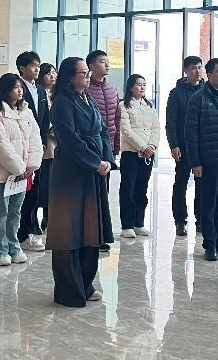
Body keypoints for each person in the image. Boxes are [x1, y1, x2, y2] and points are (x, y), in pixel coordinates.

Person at [46, 57, 114, 307]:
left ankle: (86, 284)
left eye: (87, 73)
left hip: (93, 172)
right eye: (83, 73)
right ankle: (69, 290)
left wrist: (107, 159)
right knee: (68, 231)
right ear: (69, 77)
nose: (87, 77)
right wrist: (95, 162)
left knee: (90, 229)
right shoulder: (62, 103)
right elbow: (70, 140)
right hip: (71, 173)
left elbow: (103, 130)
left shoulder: (89, 99)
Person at [0, 73, 43, 266]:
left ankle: (14, 246)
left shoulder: (26, 112)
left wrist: (31, 166)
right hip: (4, 174)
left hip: (23, 174)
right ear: (6, 89)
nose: (20, 91)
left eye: (21, 87)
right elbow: (0, 146)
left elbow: (35, 138)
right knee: (1, 212)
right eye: (16, 87)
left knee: (15, 212)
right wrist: (19, 168)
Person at [185, 58, 218, 261]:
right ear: (209, 75)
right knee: (209, 202)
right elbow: (191, 133)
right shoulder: (199, 98)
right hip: (209, 160)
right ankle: (209, 244)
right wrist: (195, 162)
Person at [15, 51, 50, 253]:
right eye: (33, 65)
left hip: (37, 149)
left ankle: (28, 231)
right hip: (21, 148)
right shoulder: (16, 88)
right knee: (22, 193)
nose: (37, 69)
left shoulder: (41, 90)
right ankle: (21, 234)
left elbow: (45, 120)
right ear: (22, 68)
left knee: (34, 192)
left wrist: (42, 144)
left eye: (38, 65)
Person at [85, 49, 120, 252]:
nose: (107, 65)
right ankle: (90, 235)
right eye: (102, 61)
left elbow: (116, 120)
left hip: (108, 149)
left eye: (107, 61)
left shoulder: (112, 90)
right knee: (90, 194)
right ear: (91, 66)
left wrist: (115, 148)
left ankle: (100, 233)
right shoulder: (86, 90)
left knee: (103, 194)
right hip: (90, 149)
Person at [166, 56, 204, 237]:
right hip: (183, 146)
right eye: (193, 68)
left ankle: (201, 220)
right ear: (186, 70)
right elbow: (171, 121)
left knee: (202, 185)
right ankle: (180, 221)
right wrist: (174, 145)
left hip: (203, 146)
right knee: (181, 183)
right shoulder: (176, 93)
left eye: (200, 67)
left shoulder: (207, 90)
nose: (197, 71)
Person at [119, 74, 159, 239]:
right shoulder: (124, 105)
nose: (142, 87)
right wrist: (142, 147)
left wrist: (152, 146)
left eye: (144, 84)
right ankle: (127, 225)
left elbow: (156, 128)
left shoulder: (149, 106)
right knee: (128, 189)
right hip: (131, 153)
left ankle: (138, 223)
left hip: (147, 154)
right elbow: (126, 130)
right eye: (138, 84)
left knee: (141, 189)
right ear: (130, 87)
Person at [37, 63, 58, 231]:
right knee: (43, 183)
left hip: (57, 145)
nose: (52, 76)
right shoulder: (39, 93)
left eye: (54, 73)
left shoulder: (57, 95)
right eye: (48, 73)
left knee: (52, 184)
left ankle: (49, 217)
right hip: (45, 145)